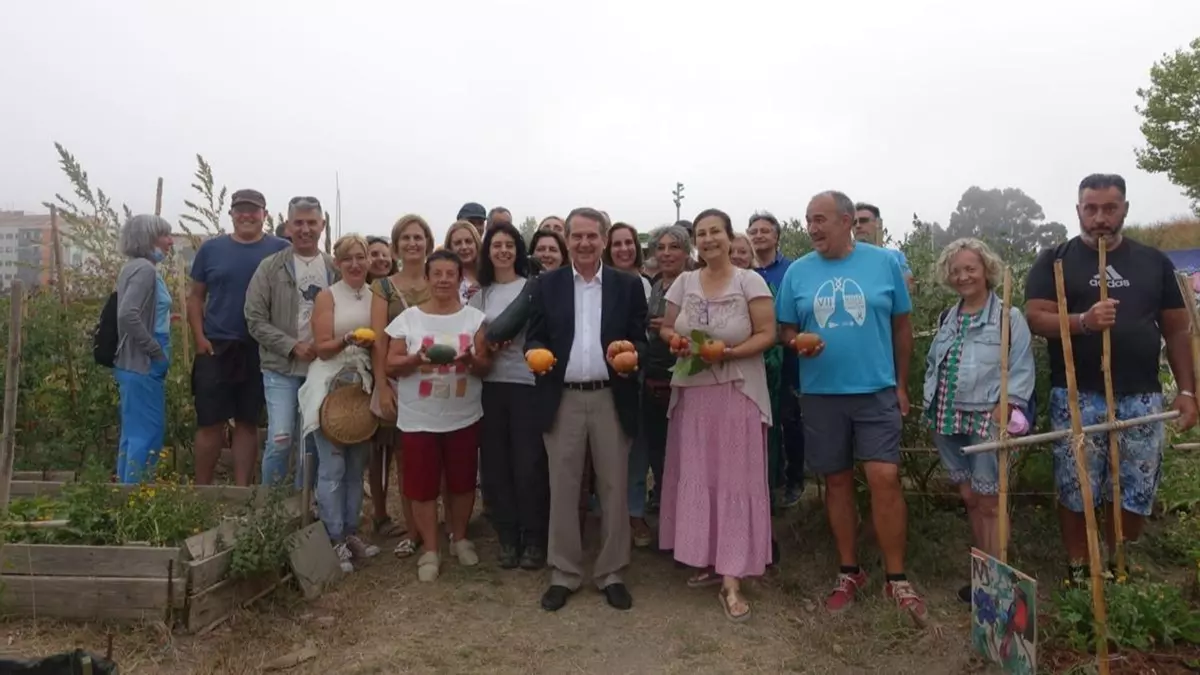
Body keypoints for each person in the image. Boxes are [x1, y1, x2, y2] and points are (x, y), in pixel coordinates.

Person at [1023, 173, 1197, 579]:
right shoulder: (1055, 260)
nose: (1100, 218)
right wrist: (1083, 321)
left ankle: (1118, 563)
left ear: (1125, 209)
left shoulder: (1153, 261)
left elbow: (1177, 330)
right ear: (1078, 210)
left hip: (1141, 395)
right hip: (1077, 394)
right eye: (1091, 208)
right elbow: (1036, 318)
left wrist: (1188, 391)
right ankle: (1081, 567)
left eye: (1109, 208)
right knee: (1076, 485)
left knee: (1136, 487)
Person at [775, 190, 926, 625]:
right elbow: (785, 329)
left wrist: (900, 385)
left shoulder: (883, 263)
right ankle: (849, 570)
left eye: (820, 219)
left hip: (876, 390)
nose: (812, 228)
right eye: (808, 220)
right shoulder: (799, 272)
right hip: (821, 393)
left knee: (884, 477)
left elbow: (902, 327)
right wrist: (796, 343)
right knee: (837, 481)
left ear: (846, 221)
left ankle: (896, 577)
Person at [525, 207, 648, 612]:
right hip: (563, 397)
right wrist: (535, 354)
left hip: (611, 396)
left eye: (592, 236)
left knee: (613, 486)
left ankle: (612, 572)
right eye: (576, 236)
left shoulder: (627, 285)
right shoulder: (547, 284)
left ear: (604, 239)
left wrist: (632, 354)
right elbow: (534, 338)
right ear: (567, 240)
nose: (584, 243)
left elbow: (641, 339)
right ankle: (564, 572)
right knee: (563, 486)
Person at [658, 209, 776, 622]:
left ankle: (732, 576)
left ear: (729, 237)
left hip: (736, 390)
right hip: (693, 393)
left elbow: (767, 333)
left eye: (715, 232)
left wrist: (728, 353)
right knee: (702, 475)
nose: (708, 239)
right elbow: (667, 328)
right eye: (701, 233)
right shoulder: (684, 282)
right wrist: (675, 341)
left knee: (735, 480)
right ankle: (708, 556)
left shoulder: (749, 281)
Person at [925, 238, 1035, 602]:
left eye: (970, 268)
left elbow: (1021, 367)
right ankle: (983, 577)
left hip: (987, 418)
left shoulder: (1008, 318)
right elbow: (935, 364)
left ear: (986, 270)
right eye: (955, 270)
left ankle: (999, 583)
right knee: (971, 497)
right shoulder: (948, 317)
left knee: (991, 502)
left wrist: (1010, 403)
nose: (963, 276)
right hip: (947, 417)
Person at [386, 250, 491, 582]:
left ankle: (459, 538)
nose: (444, 280)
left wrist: (470, 360)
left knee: (462, 482)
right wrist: (415, 359)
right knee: (422, 487)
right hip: (419, 417)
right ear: (427, 278)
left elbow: (485, 366)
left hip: (463, 415)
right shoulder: (408, 320)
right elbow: (390, 364)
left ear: (460, 278)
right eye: (438, 274)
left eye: (450, 274)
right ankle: (431, 549)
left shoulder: (475, 319)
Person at [188, 189, 289, 486]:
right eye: (240, 210)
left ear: (264, 215)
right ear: (231, 214)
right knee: (210, 423)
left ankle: (242, 490)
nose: (247, 215)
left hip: (261, 348)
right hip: (216, 346)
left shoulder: (281, 249)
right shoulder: (211, 249)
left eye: (253, 210)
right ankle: (202, 492)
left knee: (247, 422)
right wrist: (199, 338)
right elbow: (195, 297)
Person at [297, 234, 381, 572]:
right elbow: (321, 347)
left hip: (361, 384)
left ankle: (351, 531)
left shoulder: (376, 296)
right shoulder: (327, 297)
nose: (356, 264)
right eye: (348, 258)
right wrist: (348, 339)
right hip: (330, 382)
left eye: (361, 257)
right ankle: (334, 538)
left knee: (356, 467)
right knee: (332, 468)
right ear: (338, 263)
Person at [469, 222, 549, 570]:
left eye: (509, 245)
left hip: (526, 383)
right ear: (487, 252)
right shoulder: (480, 295)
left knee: (528, 463)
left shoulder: (533, 289)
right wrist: (485, 343)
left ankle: (533, 538)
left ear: (518, 251)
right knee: (496, 464)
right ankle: (507, 537)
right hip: (490, 386)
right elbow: (474, 336)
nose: (503, 251)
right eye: (496, 245)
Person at [245, 197, 337, 488]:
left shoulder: (333, 268)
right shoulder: (270, 268)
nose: (305, 229)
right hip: (280, 367)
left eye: (311, 223)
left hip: (321, 368)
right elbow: (254, 319)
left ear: (322, 225)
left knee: (311, 441)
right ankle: (270, 503)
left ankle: (303, 502)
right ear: (287, 226)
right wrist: (292, 346)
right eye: (299, 223)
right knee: (280, 437)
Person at [371, 215, 437, 552]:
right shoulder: (383, 288)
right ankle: (413, 532)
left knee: (436, 455)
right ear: (396, 246)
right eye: (406, 238)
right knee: (404, 457)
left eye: (418, 237)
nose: (413, 243)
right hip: (399, 381)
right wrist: (382, 385)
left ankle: (437, 526)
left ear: (428, 243)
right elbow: (379, 341)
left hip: (437, 381)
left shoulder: (440, 280)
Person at [747, 211, 804, 509]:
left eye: (765, 230)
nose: (759, 235)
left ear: (777, 236)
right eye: (754, 231)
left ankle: (795, 479)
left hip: (788, 356)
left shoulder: (792, 271)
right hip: (754, 357)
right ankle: (770, 479)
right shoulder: (745, 272)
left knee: (789, 418)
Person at [113, 214, 175, 483]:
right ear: (148, 238)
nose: (170, 241)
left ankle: (124, 493)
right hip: (143, 362)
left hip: (132, 362)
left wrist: (164, 318)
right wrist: (156, 351)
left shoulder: (132, 267)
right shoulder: (145, 270)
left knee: (133, 433)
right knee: (147, 433)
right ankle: (137, 496)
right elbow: (127, 315)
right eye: (165, 235)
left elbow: (140, 310)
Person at [641, 225, 691, 519]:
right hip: (654, 374)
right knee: (658, 447)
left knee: (685, 449)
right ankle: (664, 503)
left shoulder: (695, 282)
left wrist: (675, 325)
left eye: (674, 247)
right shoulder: (656, 285)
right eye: (660, 248)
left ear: (686, 251)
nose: (666, 254)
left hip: (686, 373)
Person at [854, 203, 914, 289]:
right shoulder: (843, 258)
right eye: (854, 222)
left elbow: (909, 286)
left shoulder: (896, 257)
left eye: (863, 221)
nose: (858, 226)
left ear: (877, 223)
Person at [603, 222, 652, 298]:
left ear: (636, 246)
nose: (624, 249)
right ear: (608, 250)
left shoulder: (645, 284)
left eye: (628, 242)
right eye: (617, 244)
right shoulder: (599, 285)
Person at [445, 220, 482, 302]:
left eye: (468, 241)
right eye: (458, 243)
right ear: (450, 248)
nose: (464, 247)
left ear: (476, 244)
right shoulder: (444, 280)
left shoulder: (491, 274)